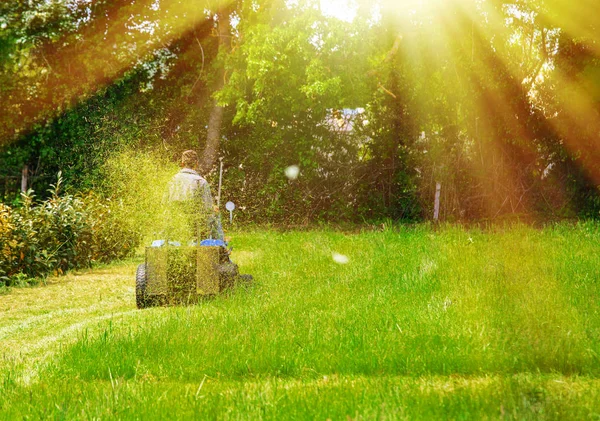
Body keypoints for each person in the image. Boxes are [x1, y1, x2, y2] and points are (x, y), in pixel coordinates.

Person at [167, 150, 224, 242]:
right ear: (196, 164)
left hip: (175, 223)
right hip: (196, 225)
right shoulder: (200, 182)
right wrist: (213, 208)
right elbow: (207, 207)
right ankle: (221, 246)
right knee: (216, 213)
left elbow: (165, 203)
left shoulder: (172, 180)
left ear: (182, 163)